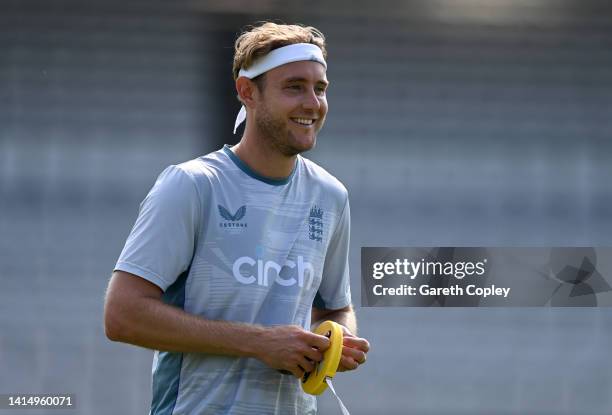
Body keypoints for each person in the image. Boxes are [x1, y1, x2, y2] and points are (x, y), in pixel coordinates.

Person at [104, 21, 370, 415]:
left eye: (320, 88)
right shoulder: (192, 185)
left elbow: (334, 307)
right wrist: (259, 342)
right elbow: (122, 315)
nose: (312, 103)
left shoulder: (330, 196)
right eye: (294, 86)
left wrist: (338, 339)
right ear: (248, 93)